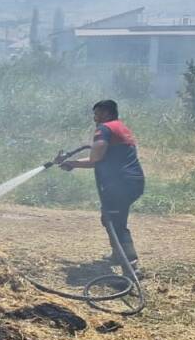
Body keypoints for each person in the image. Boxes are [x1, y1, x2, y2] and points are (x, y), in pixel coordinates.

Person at [55, 99, 145, 269]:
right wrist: (72, 163)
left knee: (114, 221)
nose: (95, 118)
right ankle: (119, 255)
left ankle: (131, 264)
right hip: (132, 182)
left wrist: (71, 161)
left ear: (106, 113)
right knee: (110, 217)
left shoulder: (105, 129)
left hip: (121, 183)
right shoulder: (120, 127)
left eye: (97, 114)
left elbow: (95, 158)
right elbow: (97, 161)